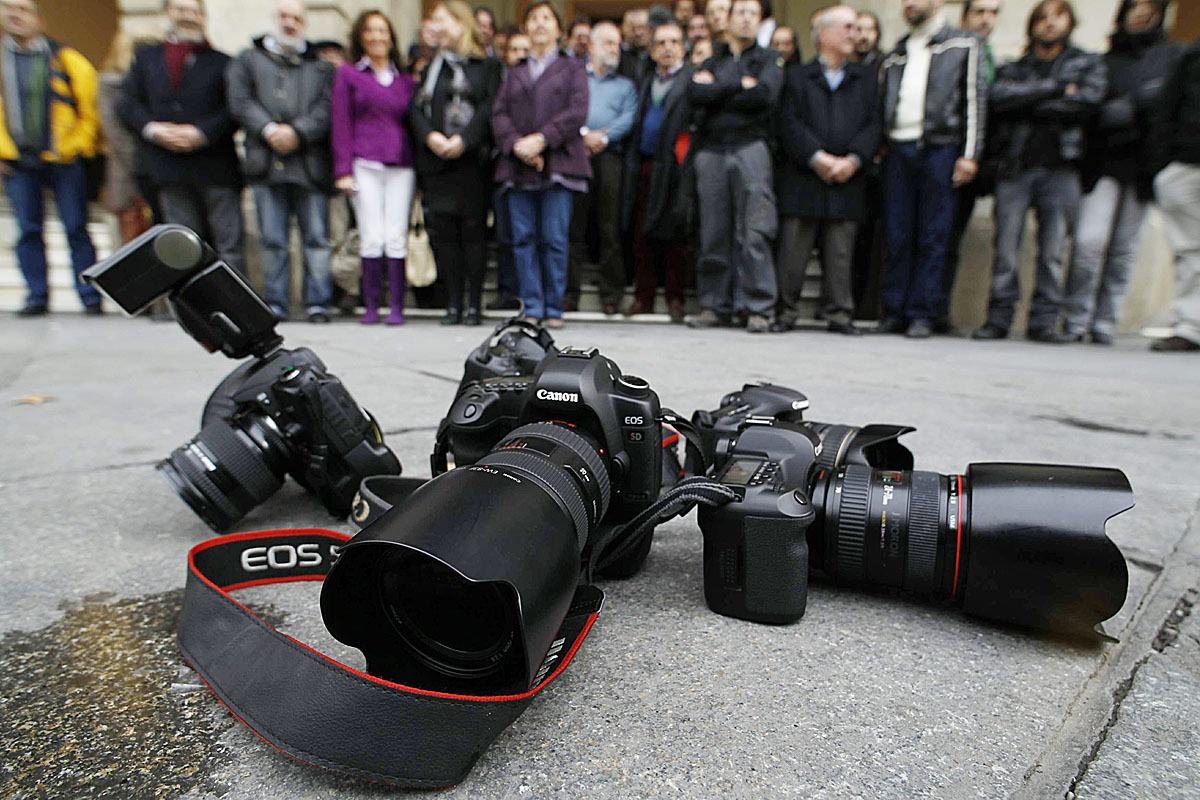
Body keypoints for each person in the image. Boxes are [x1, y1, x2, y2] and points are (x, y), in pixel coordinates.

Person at [972, 0, 1105, 343]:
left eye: (1057, 17)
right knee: (1005, 250)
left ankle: (1043, 322)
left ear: (1069, 23)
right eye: (1042, 17)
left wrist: (1027, 102)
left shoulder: (1085, 63)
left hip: (1062, 169)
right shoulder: (1014, 67)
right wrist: (1057, 89)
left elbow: (1087, 105)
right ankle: (999, 318)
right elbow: (998, 98)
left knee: (1052, 253)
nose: (1049, 24)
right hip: (1015, 169)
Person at [1061, 0, 1180, 345]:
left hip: (1143, 168)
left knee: (1124, 249)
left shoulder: (1169, 58)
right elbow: (1092, 109)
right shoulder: (1104, 61)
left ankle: (1104, 322)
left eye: (1149, 8)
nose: (1142, 13)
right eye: (1135, 7)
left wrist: (1135, 107)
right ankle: (1076, 319)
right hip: (1103, 164)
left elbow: (1164, 110)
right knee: (1089, 243)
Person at [876, 0, 987, 339]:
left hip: (940, 148)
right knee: (897, 233)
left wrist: (969, 154)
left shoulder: (963, 44)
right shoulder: (895, 53)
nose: (911, 4)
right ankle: (894, 311)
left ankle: (922, 312)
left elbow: (973, 100)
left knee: (933, 235)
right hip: (898, 148)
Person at [773, 4, 879, 336]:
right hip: (804, 176)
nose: (855, 33)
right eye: (848, 27)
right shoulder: (796, 77)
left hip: (849, 178)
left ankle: (839, 313)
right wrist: (817, 157)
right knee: (793, 250)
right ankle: (785, 312)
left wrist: (853, 160)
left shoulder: (867, 78)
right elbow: (788, 123)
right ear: (825, 34)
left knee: (841, 251)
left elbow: (874, 125)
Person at [118, 0, 244, 278]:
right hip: (167, 166)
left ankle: (235, 305)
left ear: (203, 18)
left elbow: (234, 109)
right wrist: (153, 129)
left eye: (195, 11)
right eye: (181, 9)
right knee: (181, 244)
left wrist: (201, 133)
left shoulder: (225, 62)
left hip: (216, 167)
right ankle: (190, 306)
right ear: (168, 13)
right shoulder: (147, 58)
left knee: (228, 243)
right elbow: (127, 103)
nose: (189, 16)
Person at [228, 0, 335, 323]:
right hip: (266, 163)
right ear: (275, 19)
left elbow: (327, 109)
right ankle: (276, 303)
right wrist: (270, 129)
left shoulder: (321, 66)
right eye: (285, 16)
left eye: (297, 18)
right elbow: (240, 101)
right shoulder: (248, 60)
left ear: (305, 22)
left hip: (309, 164)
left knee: (316, 239)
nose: (290, 23)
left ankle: (318, 302)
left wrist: (298, 132)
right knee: (273, 240)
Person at [491, 0, 590, 329]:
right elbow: (499, 114)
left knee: (554, 238)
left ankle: (553, 307)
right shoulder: (515, 71)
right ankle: (531, 305)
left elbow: (577, 112)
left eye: (546, 18)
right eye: (533, 19)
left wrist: (542, 139)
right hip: (519, 166)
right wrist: (518, 144)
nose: (539, 24)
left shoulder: (572, 67)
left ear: (558, 29)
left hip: (559, 162)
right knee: (523, 239)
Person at [686, 0, 783, 333]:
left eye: (752, 14)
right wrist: (736, 86)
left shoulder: (769, 59)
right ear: (726, 19)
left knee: (754, 232)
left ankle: (758, 307)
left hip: (751, 149)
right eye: (740, 12)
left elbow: (765, 97)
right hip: (711, 151)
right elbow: (695, 96)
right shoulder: (713, 58)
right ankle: (715, 305)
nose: (746, 19)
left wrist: (716, 90)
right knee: (713, 232)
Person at [0, 0, 101, 317]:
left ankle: (89, 295)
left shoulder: (66, 59)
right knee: (28, 230)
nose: (15, 14)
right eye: (7, 7)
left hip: (64, 161)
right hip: (16, 162)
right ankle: (36, 295)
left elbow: (90, 110)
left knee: (76, 228)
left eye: (23, 9)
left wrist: (77, 146)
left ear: (40, 20)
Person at [409, 0, 501, 326]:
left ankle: (474, 304)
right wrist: (432, 138)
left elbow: (489, 108)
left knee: (473, 236)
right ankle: (453, 303)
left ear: (461, 24)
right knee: (445, 235)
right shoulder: (432, 68)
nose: (436, 26)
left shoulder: (486, 66)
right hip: (438, 164)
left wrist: (464, 140)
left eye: (441, 19)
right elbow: (416, 109)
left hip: (471, 163)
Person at [331, 9, 416, 325]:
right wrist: (343, 170)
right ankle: (370, 306)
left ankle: (396, 306)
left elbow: (412, 123)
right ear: (361, 37)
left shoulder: (405, 80)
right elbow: (341, 123)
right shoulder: (349, 74)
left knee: (395, 236)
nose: (378, 37)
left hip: (401, 164)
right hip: (364, 162)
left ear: (391, 38)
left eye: (384, 31)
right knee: (371, 235)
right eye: (371, 31)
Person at [935, 0, 1000, 333]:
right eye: (980, 12)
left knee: (950, 238)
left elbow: (991, 102)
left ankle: (938, 309)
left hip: (978, 162)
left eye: (994, 13)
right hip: (947, 155)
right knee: (938, 237)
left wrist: (972, 156)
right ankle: (932, 308)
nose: (987, 19)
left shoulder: (994, 61)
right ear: (964, 18)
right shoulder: (954, 51)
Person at [564, 21, 636, 315]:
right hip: (574, 155)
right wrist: (582, 134)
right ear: (591, 45)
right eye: (608, 42)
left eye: (617, 43)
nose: (614, 48)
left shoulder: (626, 85)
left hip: (609, 158)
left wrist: (603, 137)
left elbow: (629, 116)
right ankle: (568, 294)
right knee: (573, 228)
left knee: (609, 228)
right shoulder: (573, 77)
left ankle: (611, 295)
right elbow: (565, 111)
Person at [622, 20, 692, 322]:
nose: (667, 48)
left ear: (683, 48)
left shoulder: (692, 80)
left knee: (677, 236)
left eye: (674, 42)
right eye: (661, 43)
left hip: (677, 169)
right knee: (642, 234)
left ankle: (675, 298)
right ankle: (644, 296)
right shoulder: (646, 79)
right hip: (645, 164)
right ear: (651, 50)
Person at [1147, 36, 1200, 352]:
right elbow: (1167, 107)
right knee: (1190, 250)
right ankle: (1190, 325)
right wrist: (1160, 167)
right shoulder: (1191, 55)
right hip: (1184, 165)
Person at [97, 31, 154, 247]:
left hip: (162, 176)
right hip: (129, 175)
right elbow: (116, 134)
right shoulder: (111, 84)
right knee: (134, 245)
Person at [619, 8, 651, 81]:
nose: (638, 33)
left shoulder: (657, 56)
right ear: (623, 29)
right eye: (632, 28)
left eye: (643, 27)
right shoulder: (616, 55)